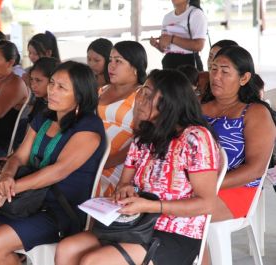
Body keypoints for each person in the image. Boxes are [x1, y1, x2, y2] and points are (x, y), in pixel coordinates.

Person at [55, 69, 220, 265]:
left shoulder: (195, 138)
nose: (139, 98)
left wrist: (150, 206)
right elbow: (124, 183)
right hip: (136, 224)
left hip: (175, 233)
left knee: (94, 261)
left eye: (148, 94)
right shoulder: (144, 135)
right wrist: (125, 191)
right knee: (67, 248)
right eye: (141, 91)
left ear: (170, 100)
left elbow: (207, 204)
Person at [0, 61, 106, 265]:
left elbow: (58, 171)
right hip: (26, 201)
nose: (52, 91)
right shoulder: (44, 119)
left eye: (61, 87)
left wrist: (9, 189)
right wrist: (7, 177)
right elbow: (18, 157)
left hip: (59, 209)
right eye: (52, 83)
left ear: (80, 95)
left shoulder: (88, 127)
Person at [202, 46, 276, 223]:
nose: (216, 77)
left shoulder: (255, 113)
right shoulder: (198, 105)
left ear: (244, 78)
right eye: (213, 69)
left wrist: (208, 185)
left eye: (225, 72)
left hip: (237, 190)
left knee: (177, 216)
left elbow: (256, 169)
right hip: (197, 185)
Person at [0, 57, 60, 196]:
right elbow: (28, 140)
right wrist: (12, 159)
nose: (33, 85)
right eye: (32, 80)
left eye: (39, 81)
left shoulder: (57, 110)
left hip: (39, 162)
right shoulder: (40, 103)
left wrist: (16, 163)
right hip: (27, 155)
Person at [98, 40, 147, 197]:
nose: (111, 66)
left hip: (118, 166)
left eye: (118, 61)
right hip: (89, 157)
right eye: (110, 60)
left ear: (135, 67)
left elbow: (141, 141)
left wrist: (106, 162)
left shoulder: (142, 96)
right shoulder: (102, 90)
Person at [150, 0, 207, 70]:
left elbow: (199, 45)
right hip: (169, 63)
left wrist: (172, 39)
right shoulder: (167, 17)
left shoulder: (196, 13)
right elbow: (165, 49)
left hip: (188, 65)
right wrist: (157, 45)